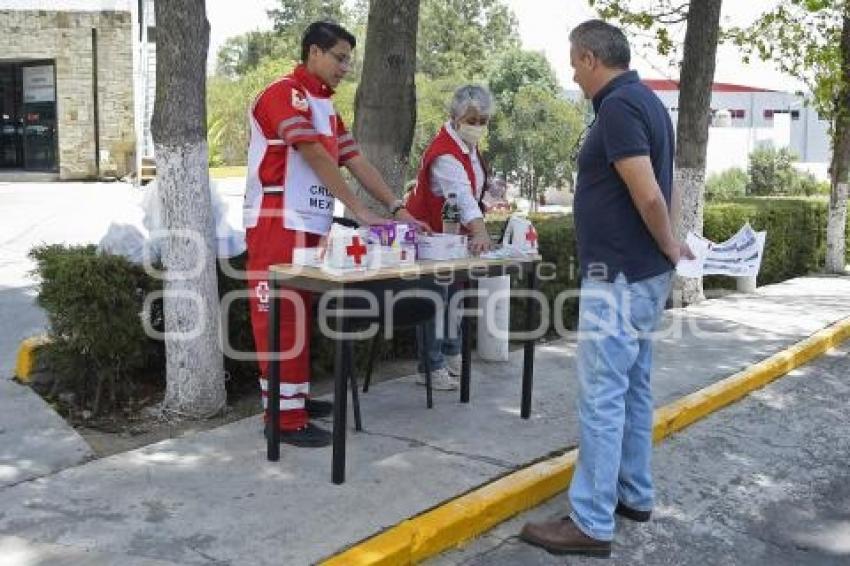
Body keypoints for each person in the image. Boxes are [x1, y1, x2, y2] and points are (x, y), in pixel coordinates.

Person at [519, 20, 693, 557]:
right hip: (637, 276)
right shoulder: (646, 101)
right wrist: (669, 250)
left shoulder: (617, 108)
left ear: (592, 58)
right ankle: (634, 493)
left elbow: (648, 196)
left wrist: (669, 244)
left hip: (618, 278)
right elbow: (663, 185)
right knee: (634, 387)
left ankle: (592, 521)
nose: (573, 74)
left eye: (574, 63)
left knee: (601, 397)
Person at [244, 21, 426, 448]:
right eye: (339, 58)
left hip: (311, 222)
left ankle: (294, 402)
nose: (346, 67)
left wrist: (396, 207)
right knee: (278, 317)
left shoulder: (326, 106)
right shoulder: (282, 93)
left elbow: (355, 160)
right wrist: (358, 208)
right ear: (313, 52)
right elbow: (312, 153)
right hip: (277, 218)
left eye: (349, 59)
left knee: (301, 314)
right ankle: (282, 420)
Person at [406, 85, 494, 390]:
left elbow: (476, 186)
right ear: (454, 117)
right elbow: (461, 196)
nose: (478, 127)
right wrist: (481, 229)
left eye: (484, 121)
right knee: (436, 298)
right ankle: (429, 366)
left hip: (453, 240)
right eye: (472, 120)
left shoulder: (467, 148)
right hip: (429, 236)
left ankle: (451, 352)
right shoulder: (444, 153)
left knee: (455, 295)